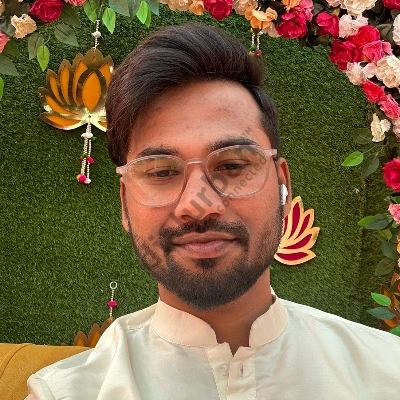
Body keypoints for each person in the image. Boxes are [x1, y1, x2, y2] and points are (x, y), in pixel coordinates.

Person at [26, 23, 400, 400]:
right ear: (125, 203)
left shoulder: (387, 373)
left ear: (282, 186)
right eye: (161, 172)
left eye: (233, 165)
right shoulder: (64, 393)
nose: (197, 206)